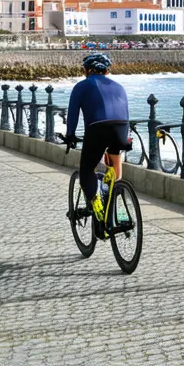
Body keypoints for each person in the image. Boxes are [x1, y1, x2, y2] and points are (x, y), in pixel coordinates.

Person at [65, 52, 131, 235]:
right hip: (121, 128)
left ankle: (97, 205)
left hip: (97, 129)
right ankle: (117, 201)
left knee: (87, 169)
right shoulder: (120, 87)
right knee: (115, 163)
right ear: (107, 71)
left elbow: (72, 115)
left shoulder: (82, 86)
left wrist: (70, 135)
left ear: (85, 71)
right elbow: (125, 113)